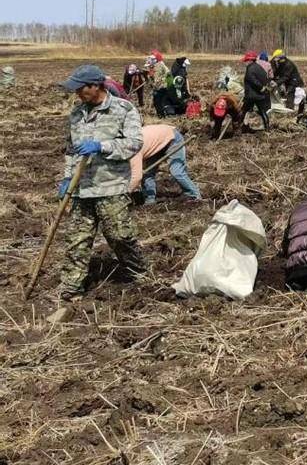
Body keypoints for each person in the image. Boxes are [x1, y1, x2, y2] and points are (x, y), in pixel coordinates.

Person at [57, 65, 146, 300]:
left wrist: (102, 146)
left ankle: (138, 272)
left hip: (111, 185)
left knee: (119, 236)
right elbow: (70, 149)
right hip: (81, 187)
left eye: (80, 89)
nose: (77, 94)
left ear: (95, 86)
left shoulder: (123, 109)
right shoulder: (76, 114)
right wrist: (67, 177)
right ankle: (71, 288)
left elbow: (134, 144)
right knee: (77, 240)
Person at [130, 124, 202, 204]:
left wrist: (125, 193)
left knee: (177, 172)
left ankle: (194, 195)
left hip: (172, 138)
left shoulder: (133, 150)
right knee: (148, 173)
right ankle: (149, 201)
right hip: (155, 144)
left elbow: (136, 177)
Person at [242, 51, 272, 130]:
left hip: (251, 95)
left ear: (250, 60)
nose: (245, 63)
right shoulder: (259, 68)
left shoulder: (250, 69)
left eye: (246, 61)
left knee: (244, 111)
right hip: (260, 95)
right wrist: (262, 88)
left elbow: (252, 80)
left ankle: (242, 128)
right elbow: (266, 78)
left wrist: (260, 87)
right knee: (263, 112)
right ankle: (267, 128)